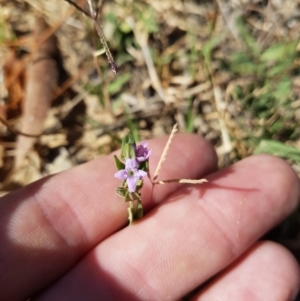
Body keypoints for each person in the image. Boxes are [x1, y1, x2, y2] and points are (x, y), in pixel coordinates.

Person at [0, 134, 299, 301]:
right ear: (128, 168)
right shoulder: (128, 175)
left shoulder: (134, 174)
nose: (132, 168)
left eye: (134, 167)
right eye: (130, 167)